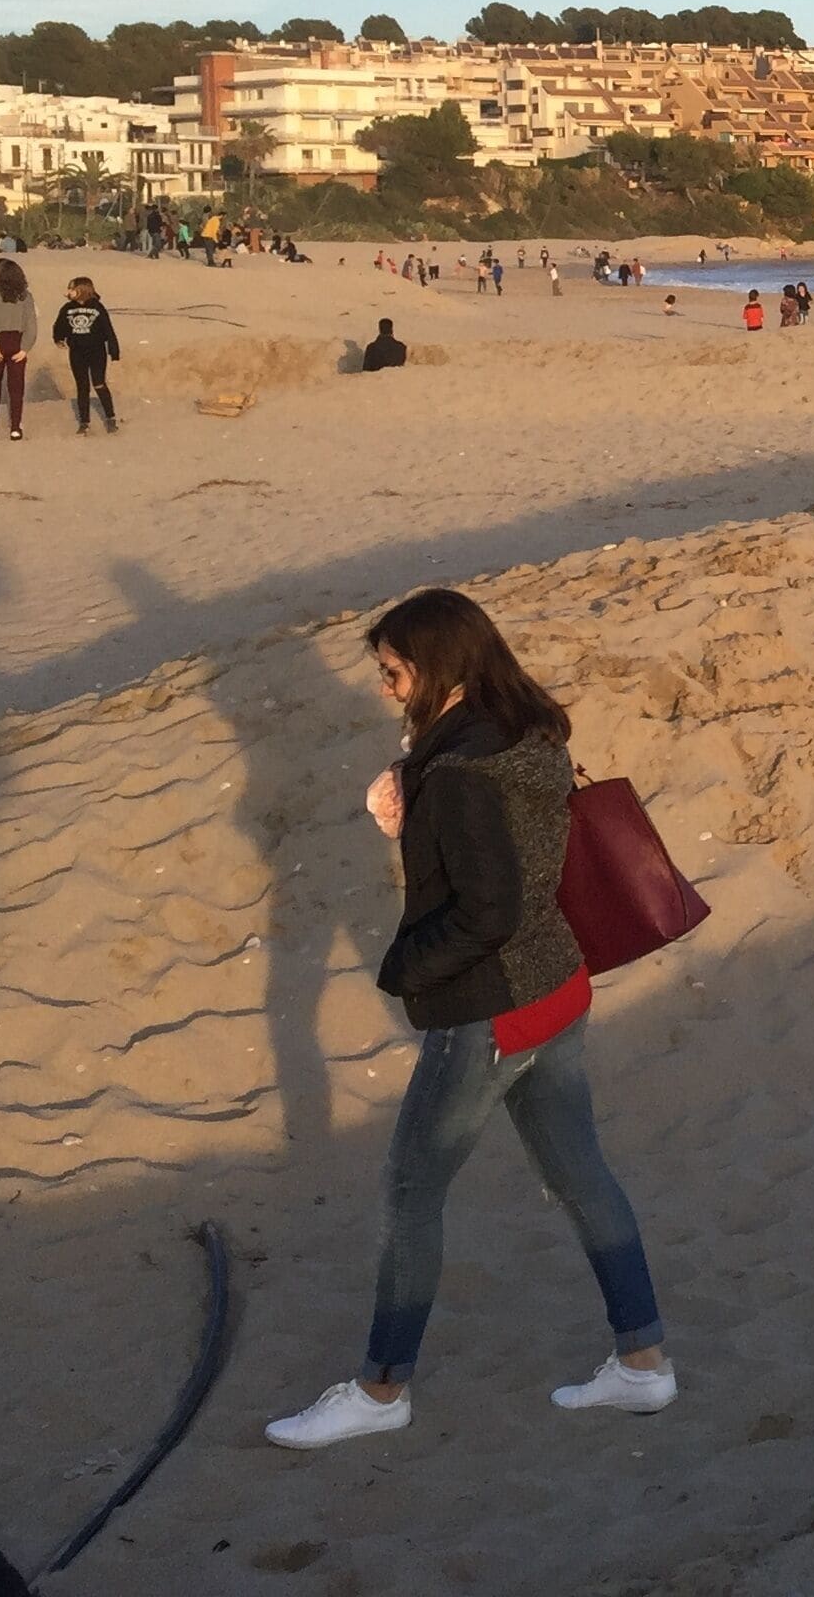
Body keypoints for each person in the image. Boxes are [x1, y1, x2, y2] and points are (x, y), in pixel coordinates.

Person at [263, 588, 673, 1450]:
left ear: (438, 671)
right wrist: (413, 780)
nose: (384, 687)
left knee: (412, 1192)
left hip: (495, 1013)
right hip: (558, 989)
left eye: (393, 672)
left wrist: (403, 968)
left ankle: (380, 1390)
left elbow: (489, 910)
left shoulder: (460, 774)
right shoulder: (523, 734)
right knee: (579, 1174)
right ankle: (644, 1365)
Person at [50, 277, 121, 436]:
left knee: (99, 383)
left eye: (71, 289)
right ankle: (84, 422)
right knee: (82, 386)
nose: (68, 292)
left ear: (81, 290)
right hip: (76, 352)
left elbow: (108, 330)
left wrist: (114, 351)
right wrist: (58, 338)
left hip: (96, 351)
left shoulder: (97, 307)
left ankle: (110, 418)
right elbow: (59, 325)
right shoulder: (67, 308)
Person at [0, 257, 35, 441]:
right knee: (16, 388)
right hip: (17, 342)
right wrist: (25, 348)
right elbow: (31, 325)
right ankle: (16, 427)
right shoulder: (25, 295)